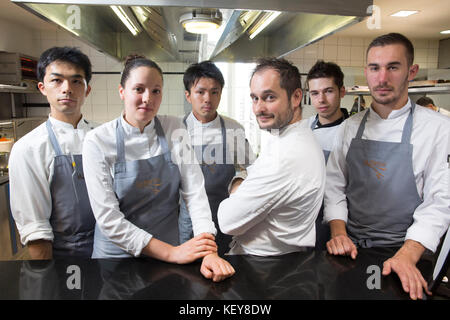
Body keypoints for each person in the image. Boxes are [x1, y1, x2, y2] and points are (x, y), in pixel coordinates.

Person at [82, 55, 234, 282]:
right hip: (118, 259)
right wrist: (172, 252)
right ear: (122, 91)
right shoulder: (98, 141)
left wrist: (208, 249)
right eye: (139, 89)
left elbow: (195, 193)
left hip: (168, 257)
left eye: (156, 91)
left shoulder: (174, 128)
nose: (147, 98)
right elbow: (109, 220)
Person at [324, 33, 450, 300]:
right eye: (374, 68)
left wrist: (407, 255)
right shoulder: (350, 127)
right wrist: (339, 233)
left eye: (393, 67)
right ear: (366, 73)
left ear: (411, 72)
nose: (382, 78)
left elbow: (440, 201)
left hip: (407, 252)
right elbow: (334, 186)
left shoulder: (438, 129)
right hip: (350, 251)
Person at [217, 57, 326, 256]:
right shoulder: (287, 138)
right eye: (254, 98)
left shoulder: (286, 154)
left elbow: (227, 220)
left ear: (295, 97)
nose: (258, 108)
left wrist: (237, 185)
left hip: (264, 269)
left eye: (269, 97)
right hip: (281, 261)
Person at [9, 46, 97, 259]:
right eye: (57, 80)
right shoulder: (29, 148)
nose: (67, 88)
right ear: (42, 87)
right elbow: (36, 230)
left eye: (76, 81)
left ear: (87, 89)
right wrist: (46, 281)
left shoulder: (104, 137)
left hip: (112, 251)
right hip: (64, 258)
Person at [178, 61, 255, 256]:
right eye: (200, 92)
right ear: (188, 95)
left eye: (214, 92)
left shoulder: (233, 129)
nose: (208, 99)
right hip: (188, 219)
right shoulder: (177, 130)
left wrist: (239, 181)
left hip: (225, 215)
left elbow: (250, 169)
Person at [304, 60, 349, 250]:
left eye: (328, 91)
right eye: (315, 93)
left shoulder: (353, 132)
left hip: (343, 223)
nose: (321, 99)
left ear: (342, 92)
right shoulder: (303, 129)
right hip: (306, 219)